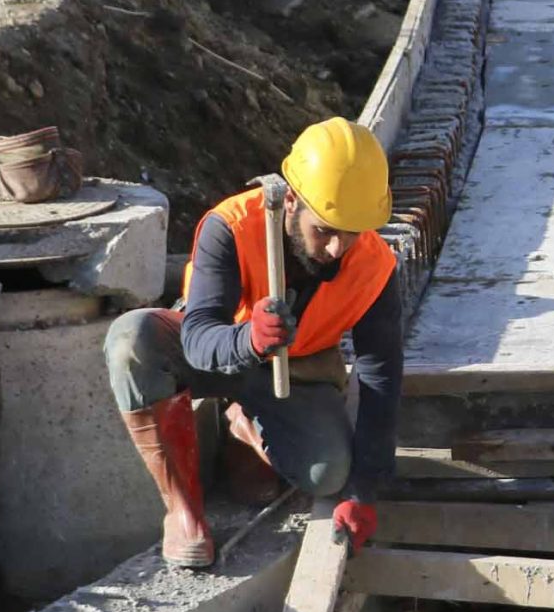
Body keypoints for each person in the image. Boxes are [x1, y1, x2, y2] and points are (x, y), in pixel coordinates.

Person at [103, 118, 400, 570]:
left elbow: (381, 375)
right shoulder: (233, 227)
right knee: (132, 340)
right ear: (293, 201)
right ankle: (183, 511)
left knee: (327, 474)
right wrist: (250, 337)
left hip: (296, 368)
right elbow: (200, 338)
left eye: (352, 232)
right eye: (324, 231)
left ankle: (244, 423)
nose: (338, 249)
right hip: (216, 351)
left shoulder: (376, 265)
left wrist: (363, 490)